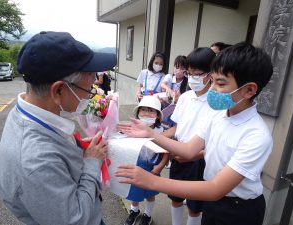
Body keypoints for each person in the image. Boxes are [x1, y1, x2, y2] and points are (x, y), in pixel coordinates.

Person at [117, 42, 273, 225]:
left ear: (249, 90)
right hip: (213, 202)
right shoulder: (219, 115)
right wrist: (149, 133)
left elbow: (215, 188)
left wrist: (151, 181)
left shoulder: (256, 135)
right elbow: (189, 150)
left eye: (220, 83)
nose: (212, 89)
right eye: (212, 80)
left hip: (238, 209)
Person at [0, 31, 116, 225]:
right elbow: (76, 220)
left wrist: (76, 148)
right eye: (89, 90)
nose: (90, 96)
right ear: (59, 90)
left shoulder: (28, 110)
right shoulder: (36, 162)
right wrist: (91, 163)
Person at [162, 48, 218, 225]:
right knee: (175, 198)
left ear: (211, 74)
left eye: (197, 74)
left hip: (200, 159)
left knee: (195, 207)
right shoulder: (185, 97)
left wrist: (193, 155)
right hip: (178, 153)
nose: (192, 78)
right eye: (189, 73)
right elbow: (176, 127)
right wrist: (154, 137)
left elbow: (215, 143)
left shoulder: (217, 102)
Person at [124, 96, 168, 225]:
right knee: (134, 192)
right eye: (143, 110)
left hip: (152, 167)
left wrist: (160, 165)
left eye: (151, 110)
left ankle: (147, 215)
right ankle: (134, 210)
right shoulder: (133, 128)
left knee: (150, 193)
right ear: (138, 113)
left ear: (158, 116)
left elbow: (166, 152)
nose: (146, 113)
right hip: (135, 164)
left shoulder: (162, 131)